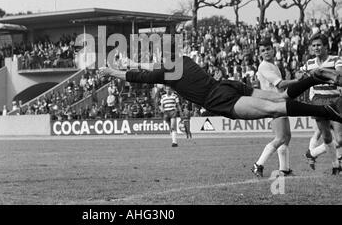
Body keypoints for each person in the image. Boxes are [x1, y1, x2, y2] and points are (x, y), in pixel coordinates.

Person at [98, 52, 342, 126]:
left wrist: (112, 72)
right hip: (227, 85)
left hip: (218, 99)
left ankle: (328, 112)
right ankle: (313, 78)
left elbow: (139, 76)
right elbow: (149, 68)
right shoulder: (183, 60)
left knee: (274, 109)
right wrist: (134, 64)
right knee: (279, 97)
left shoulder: (165, 73)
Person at [252, 39, 299, 177]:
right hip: (272, 104)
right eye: (263, 50)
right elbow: (280, 85)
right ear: (260, 53)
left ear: (273, 49)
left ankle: (284, 169)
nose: (266, 52)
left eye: (268, 49)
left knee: (287, 136)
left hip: (279, 103)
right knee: (280, 137)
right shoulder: (264, 66)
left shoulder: (274, 66)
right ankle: (258, 164)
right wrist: (299, 81)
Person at [303, 34, 342, 175]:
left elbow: (339, 74)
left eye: (319, 45)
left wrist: (321, 71)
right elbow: (301, 78)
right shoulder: (309, 63)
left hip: (336, 101)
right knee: (326, 137)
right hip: (318, 101)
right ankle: (336, 166)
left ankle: (312, 153)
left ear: (326, 46)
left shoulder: (336, 60)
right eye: (314, 46)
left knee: (340, 138)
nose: (316, 48)